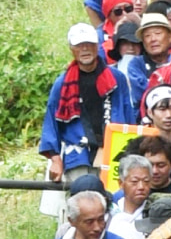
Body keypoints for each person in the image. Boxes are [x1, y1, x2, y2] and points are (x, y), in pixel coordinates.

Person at [43, 24, 138, 182]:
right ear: (71, 49)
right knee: (83, 202)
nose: (85, 49)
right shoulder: (62, 84)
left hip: (115, 152)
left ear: (97, 45)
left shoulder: (116, 78)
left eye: (89, 44)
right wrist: (55, 158)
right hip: (78, 156)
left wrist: (133, 150)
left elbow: (128, 115)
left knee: (115, 202)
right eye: (79, 45)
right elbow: (51, 122)